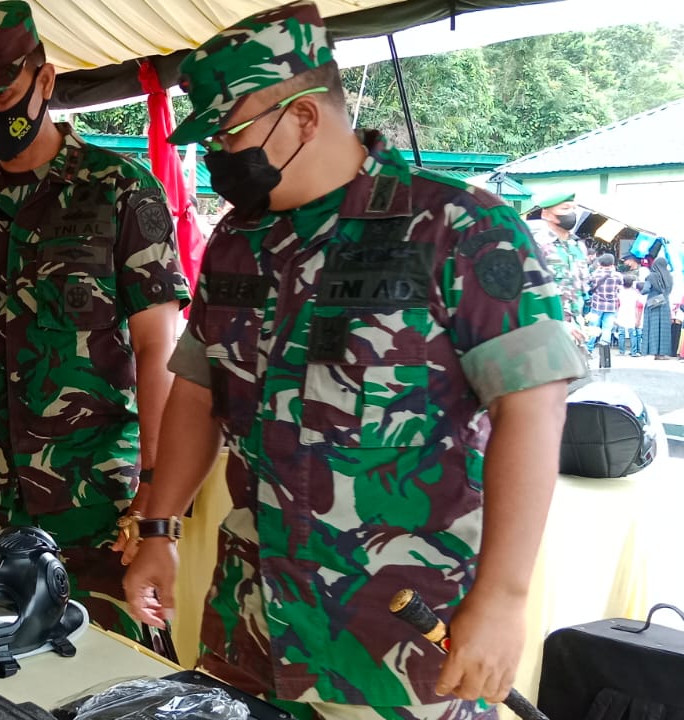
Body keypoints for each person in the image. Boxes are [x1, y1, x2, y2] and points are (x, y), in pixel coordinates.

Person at [119, 3, 586, 717]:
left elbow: (532, 406)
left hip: (396, 632)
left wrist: (503, 598)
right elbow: (196, 391)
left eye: (230, 126)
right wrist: (159, 525)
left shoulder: (456, 226)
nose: (217, 149)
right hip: (252, 619)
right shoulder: (236, 244)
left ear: (304, 116)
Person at [0, 0, 188, 643]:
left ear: (44, 80)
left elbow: (158, 350)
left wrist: (154, 493)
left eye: (0, 92)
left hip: (101, 501)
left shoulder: (118, 188)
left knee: (119, 676)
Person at [529, 191, 590, 343]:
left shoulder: (578, 247)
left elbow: (580, 292)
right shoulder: (534, 245)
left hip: (575, 332)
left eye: (574, 209)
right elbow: (527, 294)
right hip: (543, 332)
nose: (572, 214)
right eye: (565, 209)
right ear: (546, 214)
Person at [637, 247, 675, 359]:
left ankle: (652, 351)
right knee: (664, 329)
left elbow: (646, 290)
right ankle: (662, 354)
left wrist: (639, 287)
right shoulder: (669, 277)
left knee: (653, 328)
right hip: (665, 303)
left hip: (653, 303)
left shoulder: (651, 276)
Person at [586, 253, 621, 366]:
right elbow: (620, 285)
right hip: (611, 306)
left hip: (597, 305)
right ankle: (604, 351)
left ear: (600, 263)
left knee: (593, 327)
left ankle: (589, 350)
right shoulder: (617, 275)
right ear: (612, 263)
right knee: (607, 329)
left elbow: (588, 284)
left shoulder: (595, 274)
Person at [614, 274, 643, 357]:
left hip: (622, 313)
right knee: (632, 333)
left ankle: (621, 351)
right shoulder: (635, 294)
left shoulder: (620, 293)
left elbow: (618, 304)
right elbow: (638, 305)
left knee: (621, 333)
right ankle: (633, 352)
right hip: (632, 314)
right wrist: (638, 319)